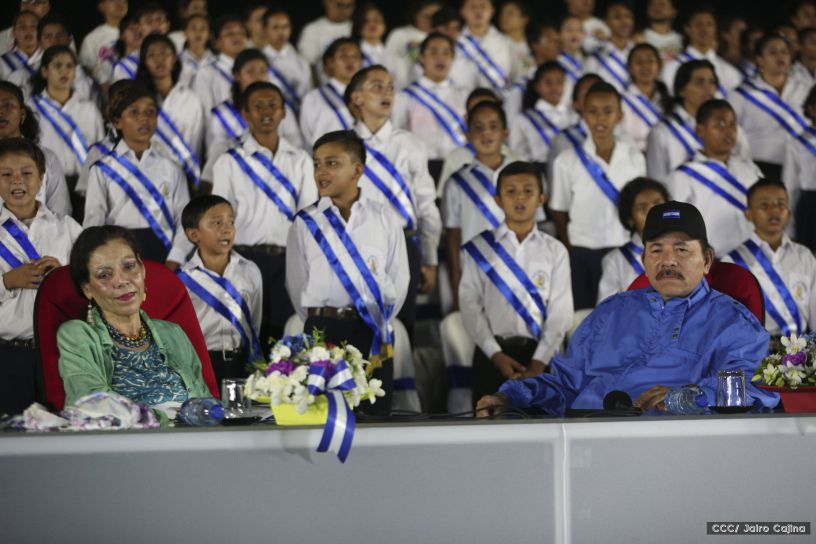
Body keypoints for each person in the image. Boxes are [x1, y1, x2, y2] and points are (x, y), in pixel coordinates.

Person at [476, 200, 780, 416]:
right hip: (587, 442)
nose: (668, 261)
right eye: (656, 250)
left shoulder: (731, 324)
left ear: (707, 261)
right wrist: (510, 397)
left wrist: (687, 398)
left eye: (682, 250)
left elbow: (750, 389)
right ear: (644, 262)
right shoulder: (611, 313)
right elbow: (565, 383)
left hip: (676, 448)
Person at [286, 129, 410, 416]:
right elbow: (296, 283)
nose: (321, 172)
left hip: (372, 330)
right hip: (322, 330)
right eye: (316, 164)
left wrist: (378, 320)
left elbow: (399, 278)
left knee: (374, 417)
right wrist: (319, 322)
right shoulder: (305, 222)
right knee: (324, 421)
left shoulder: (384, 217)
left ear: (358, 170)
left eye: (332, 163)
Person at [57, 225, 212, 416]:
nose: (121, 281)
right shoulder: (77, 335)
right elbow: (91, 403)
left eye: (129, 267)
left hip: (195, 438)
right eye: (105, 275)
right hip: (129, 442)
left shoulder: (173, 333)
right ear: (87, 289)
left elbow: (205, 399)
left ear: (143, 270)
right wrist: (170, 419)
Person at [460, 161, 573, 406]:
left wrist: (538, 363)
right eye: (510, 191)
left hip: (542, 357)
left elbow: (560, 313)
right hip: (493, 357)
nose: (519, 198)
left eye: (528, 191)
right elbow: (470, 306)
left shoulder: (555, 251)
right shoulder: (479, 249)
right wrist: (495, 354)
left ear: (542, 198)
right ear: (498, 199)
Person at [212, 81, 316, 344]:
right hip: (245, 258)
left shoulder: (301, 159)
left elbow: (307, 217)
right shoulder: (229, 162)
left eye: (273, 105)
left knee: (285, 335)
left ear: (283, 113)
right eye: (258, 106)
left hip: (288, 259)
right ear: (245, 114)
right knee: (247, 335)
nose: (266, 111)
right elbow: (221, 220)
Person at [346, 65, 441, 335]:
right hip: (356, 245)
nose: (386, 92)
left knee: (401, 328)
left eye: (390, 87)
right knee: (358, 329)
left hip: (404, 243)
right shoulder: (344, 146)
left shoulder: (410, 145)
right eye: (377, 86)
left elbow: (426, 205)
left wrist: (429, 258)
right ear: (357, 98)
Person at [0, 137, 81, 416]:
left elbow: (93, 285)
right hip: (7, 354)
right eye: (6, 174)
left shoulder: (67, 228)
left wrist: (62, 276)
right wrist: (7, 281)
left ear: (42, 179)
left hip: (59, 352)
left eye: (26, 173)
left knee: (60, 429)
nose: (16, 181)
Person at [550, 81, 646, 310]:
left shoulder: (635, 158)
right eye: (592, 112)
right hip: (583, 252)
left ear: (620, 116)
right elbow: (559, 210)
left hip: (624, 250)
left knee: (624, 316)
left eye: (607, 111)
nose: (600, 119)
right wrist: (570, 249)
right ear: (582, 114)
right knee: (583, 317)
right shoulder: (566, 161)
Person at [84, 84, 190, 265]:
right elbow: (94, 225)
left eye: (150, 113)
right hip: (119, 257)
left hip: (165, 256)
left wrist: (175, 259)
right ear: (117, 121)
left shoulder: (171, 168)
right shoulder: (102, 170)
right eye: (134, 112)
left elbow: (184, 220)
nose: (144, 119)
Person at [178, 195, 263, 385]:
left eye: (230, 221)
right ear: (194, 234)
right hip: (202, 366)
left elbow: (254, 324)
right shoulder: (182, 280)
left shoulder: (249, 270)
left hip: (241, 364)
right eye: (216, 222)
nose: (227, 229)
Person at [443, 100, 515, 309]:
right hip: (474, 277)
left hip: (519, 274)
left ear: (505, 133)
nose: (486, 133)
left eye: (493, 127)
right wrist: (457, 292)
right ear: (467, 135)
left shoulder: (523, 176)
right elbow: (453, 242)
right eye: (478, 128)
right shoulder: (456, 183)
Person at [666, 99, 760, 257]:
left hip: (755, 259)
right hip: (712, 261)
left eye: (732, 125)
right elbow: (675, 227)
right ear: (700, 130)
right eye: (720, 125)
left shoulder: (750, 168)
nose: (729, 131)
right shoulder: (683, 176)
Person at [724, 178, 816, 338]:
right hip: (755, 353)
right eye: (764, 205)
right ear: (749, 214)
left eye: (780, 204)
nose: (774, 211)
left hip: (801, 353)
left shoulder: (804, 256)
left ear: (788, 212)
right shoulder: (732, 260)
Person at [203, 48, 305, 187]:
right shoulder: (223, 113)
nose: (257, 77)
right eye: (250, 72)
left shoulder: (280, 109)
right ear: (237, 75)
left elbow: (296, 146)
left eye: (262, 71)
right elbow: (215, 159)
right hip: (237, 180)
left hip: (280, 179)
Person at [646, 59, 751, 183]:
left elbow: (746, 170)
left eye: (712, 82)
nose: (708, 88)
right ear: (681, 90)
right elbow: (657, 179)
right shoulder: (662, 132)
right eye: (699, 82)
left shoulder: (734, 129)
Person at [730, 33, 810, 180]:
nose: (780, 56)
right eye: (773, 52)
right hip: (760, 167)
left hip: (803, 166)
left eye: (784, 51)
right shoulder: (741, 94)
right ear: (759, 59)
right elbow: (733, 132)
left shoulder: (806, 88)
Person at [28, 46, 105, 194]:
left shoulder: (89, 108)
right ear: (45, 71)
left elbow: (99, 149)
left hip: (85, 184)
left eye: (69, 66)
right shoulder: (32, 108)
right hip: (47, 185)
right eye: (57, 65)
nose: (64, 71)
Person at [135, 34, 205, 190]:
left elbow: (196, 143)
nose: (159, 59)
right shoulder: (137, 100)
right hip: (146, 178)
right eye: (152, 55)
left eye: (164, 53)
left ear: (174, 58)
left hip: (183, 178)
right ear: (144, 62)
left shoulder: (191, 99)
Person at [393, 32, 468, 162]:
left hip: (458, 167)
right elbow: (398, 137)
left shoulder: (464, 95)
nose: (440, 58)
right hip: (421, 167)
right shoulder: (405, 97)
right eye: (434, 52)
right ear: (422, 57)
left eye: (446, 53)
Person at [0, 81, 70, 218]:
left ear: (22, 114)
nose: (1, 111)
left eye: (8, 105)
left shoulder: (47, 158)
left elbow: (60, 209)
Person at [597, 177, 668, 303]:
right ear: (630, 220)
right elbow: (606, 312)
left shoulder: (688, 250)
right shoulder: (615, 261)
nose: (653, 212)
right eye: (642, 208)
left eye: (658, 204)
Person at [8, 14, 97, 103]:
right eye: (48, 37)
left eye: (60, 36)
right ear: (39, 42)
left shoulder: (83, 74)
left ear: (69, 40)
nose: (54, 41)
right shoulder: (21, 76)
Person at [660, 7, 743, 96]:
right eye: (698, 24)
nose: (704, 29)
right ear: (687, 29)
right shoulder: (671, 67)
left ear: (715, 29)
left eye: (709, 24)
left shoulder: (731, 72)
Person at [299, 37, 362, 146]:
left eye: (355, 56)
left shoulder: (368, 96)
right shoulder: (313, 98)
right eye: (343, 56)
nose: (350, 61)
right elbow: (307, 137)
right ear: (330, 62)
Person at [510, 61, 576, 162]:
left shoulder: (574, 115)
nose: (554, 87)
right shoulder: (522, 120)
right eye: (548, 83)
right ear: (537, 86)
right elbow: (517, 153)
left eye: (559, 82)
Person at [261, 6, 313, 120]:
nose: (281, 32)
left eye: (285, 27)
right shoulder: (259, 61)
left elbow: (308, 92)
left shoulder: (301, 60)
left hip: (300, 116)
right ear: (265, 30)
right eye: (275, 27)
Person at [456, 0, 517, 93]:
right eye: (472, 7)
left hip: (498, 100)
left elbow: (519, 73)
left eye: (483, 6)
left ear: (492, 11)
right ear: (462, 11)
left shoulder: (506, 42)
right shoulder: (454, 42)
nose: (478, 11)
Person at [191, 14, 247, 114]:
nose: (237, 37)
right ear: (216, 42)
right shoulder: (206, 72)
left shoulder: (255, 68)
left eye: (241, 32)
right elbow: (205, 111)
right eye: (229, 33)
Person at [782, 85, 816, 252]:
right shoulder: (797, 143)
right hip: (810, 206)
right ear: (811, 109)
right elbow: (790, 186)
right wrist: (789, 227)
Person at [620, 43, 671, 152]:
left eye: (650, 61)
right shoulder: (621, 101)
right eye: (639, 62)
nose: (645, 66)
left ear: (659, 66)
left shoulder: (669, 99)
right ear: (629, 68)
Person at [352, 3, 409, 90]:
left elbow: (401, 85)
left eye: (377, 20)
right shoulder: (351, 56)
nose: (372, 24)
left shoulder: (395, 58)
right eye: (366, 21)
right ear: (358, 26)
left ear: (384, 25)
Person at [584, 0, 635, 92]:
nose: (624, 21)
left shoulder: (638, 52)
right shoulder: (596, 55)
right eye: (617, 17)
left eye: (628, 16)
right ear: (605, 22)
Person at [297, 0, 355, 80]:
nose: (345, 10)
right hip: (324, 88)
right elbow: (306, 66)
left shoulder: (359, 28)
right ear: (327, 2)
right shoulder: (312, 30)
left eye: (350, 5)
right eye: (340, 5)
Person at [385, 0, 443, 74]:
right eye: (426, 16)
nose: (431, 20)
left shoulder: (444, 37)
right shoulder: (400, 34)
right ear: (415, 15)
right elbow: (387, 62)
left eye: (435, 17)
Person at [79, 0, 128, 76]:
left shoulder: (138, 32)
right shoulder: (92, 38)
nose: (120, 3)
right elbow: (85, 71)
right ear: (101, 6)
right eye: (114, 0)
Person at [178, 13, 215, 89]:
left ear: (209, 34)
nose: (198, 33)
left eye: (203, 29)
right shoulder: (177, 61)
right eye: (193, 28)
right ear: (185, 33)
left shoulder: (217, 61)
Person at [0, 11, 40, 81]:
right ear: (13, 33)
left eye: (33, 26)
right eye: (22, 26)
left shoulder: (50, 59)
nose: (28, 30)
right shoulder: (2, 62)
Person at [498, 0, 534, 76]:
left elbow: (527, 73)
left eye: (510, 13)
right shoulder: (494, 41)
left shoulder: (528, 50)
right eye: (502, 13)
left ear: (524, 19)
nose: (504, 17)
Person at [557, 15, 586, 84]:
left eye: (578, 30)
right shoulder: (555, 61)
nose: (574, 34)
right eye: (569, 30)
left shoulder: (588, 60)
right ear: (559, 34)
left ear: (584, 35)